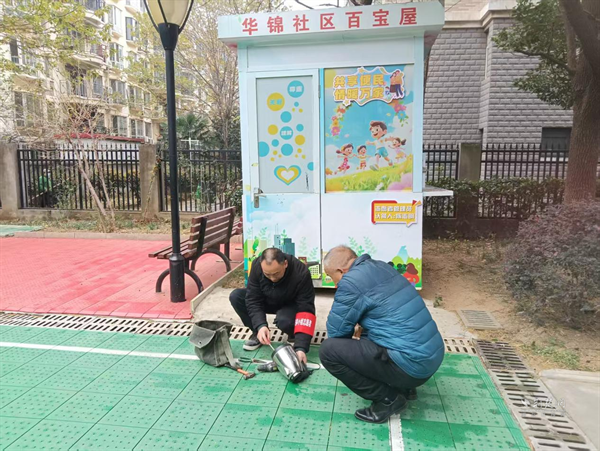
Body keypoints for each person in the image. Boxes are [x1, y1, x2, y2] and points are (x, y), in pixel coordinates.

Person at [319, 246, 444, 424]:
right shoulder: (381, 266)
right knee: (372, 330)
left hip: (411, 365)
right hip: (431, 356)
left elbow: (336, 333)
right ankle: (406, 387)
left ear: (341, 271)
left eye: (331, 277)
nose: (334, 284)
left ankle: (388, 399)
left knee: (329, 351)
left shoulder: (351, 282)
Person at [229, 248, 316, 364]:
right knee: (236, 297)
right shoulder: (257, 266)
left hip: (290, 304)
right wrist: (260, 325)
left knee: (284, 320)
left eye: (276, 273)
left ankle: (294, 334)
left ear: (285, 264)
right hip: (268, 300)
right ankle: (258, 333)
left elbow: (306, 309)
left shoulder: (301, 272)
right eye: (267, 274)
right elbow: (253, 299)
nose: (273, 278)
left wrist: (301, 347)